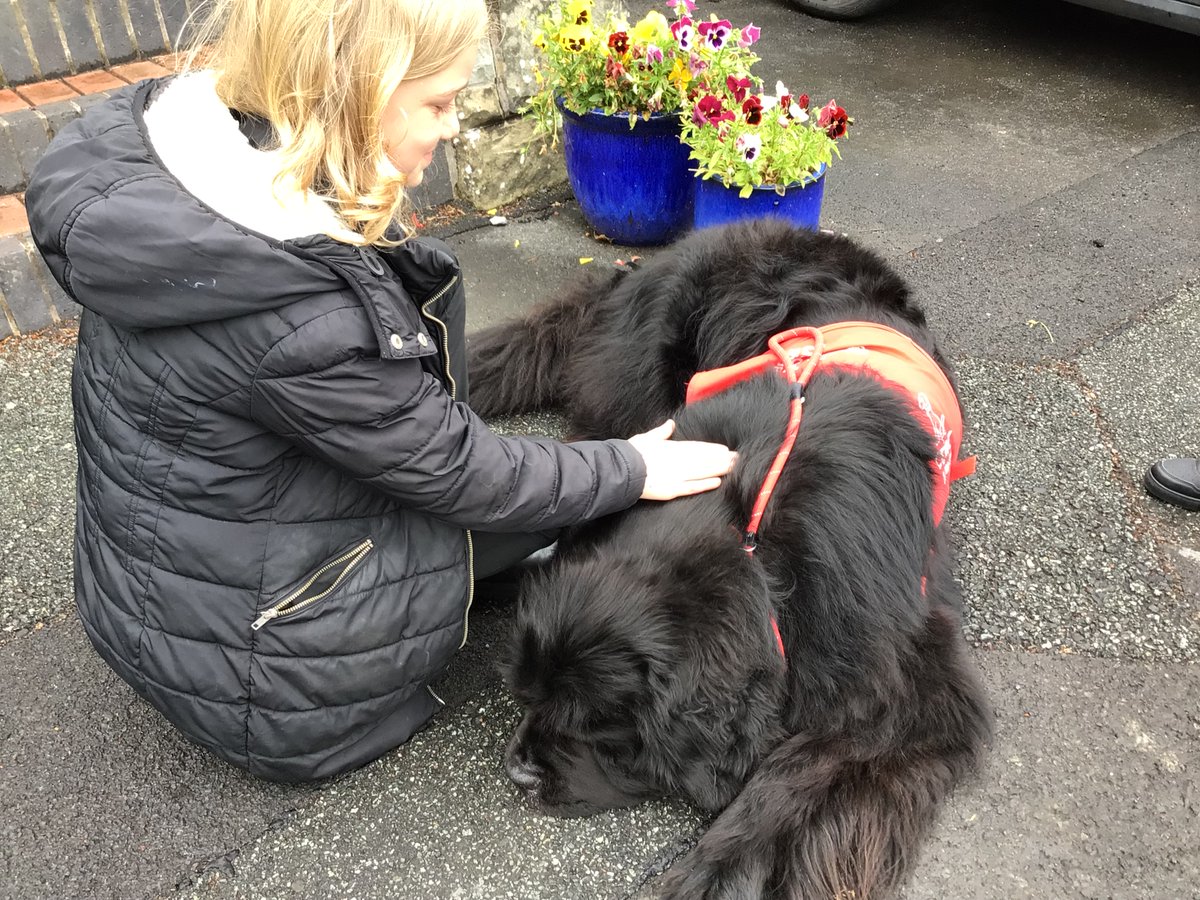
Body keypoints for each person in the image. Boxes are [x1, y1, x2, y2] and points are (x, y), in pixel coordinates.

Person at [24, 0, 735, 783]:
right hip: (271, 689)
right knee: (572, 499)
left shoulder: (176, 181)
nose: (453, 126)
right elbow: (465, 473)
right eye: (438, 102)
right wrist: (630, 468)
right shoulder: (300, 313)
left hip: (154, 610)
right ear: (358, 91)